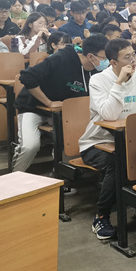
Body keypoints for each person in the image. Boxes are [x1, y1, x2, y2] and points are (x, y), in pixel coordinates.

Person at [79, 38, 136, 240]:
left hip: (132, 140)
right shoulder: (98, 81)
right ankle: (101, 216)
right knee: (118, 162)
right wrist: (120, 83)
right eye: (127, 57)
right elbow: (109, 115)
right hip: (96, 143)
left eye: (134, 55)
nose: (133, 61)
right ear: (113, 62)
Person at [13, 34, 108, 172]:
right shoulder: (61, 58)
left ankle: (60, 173)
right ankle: (15, 176)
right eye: (104, 58)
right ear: (90, 56)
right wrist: (48, 102)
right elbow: (27, 77)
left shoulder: (99, 71)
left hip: (65, 113)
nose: (107, 62)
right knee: (30, 146)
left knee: (74, 141)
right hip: (33, 107)